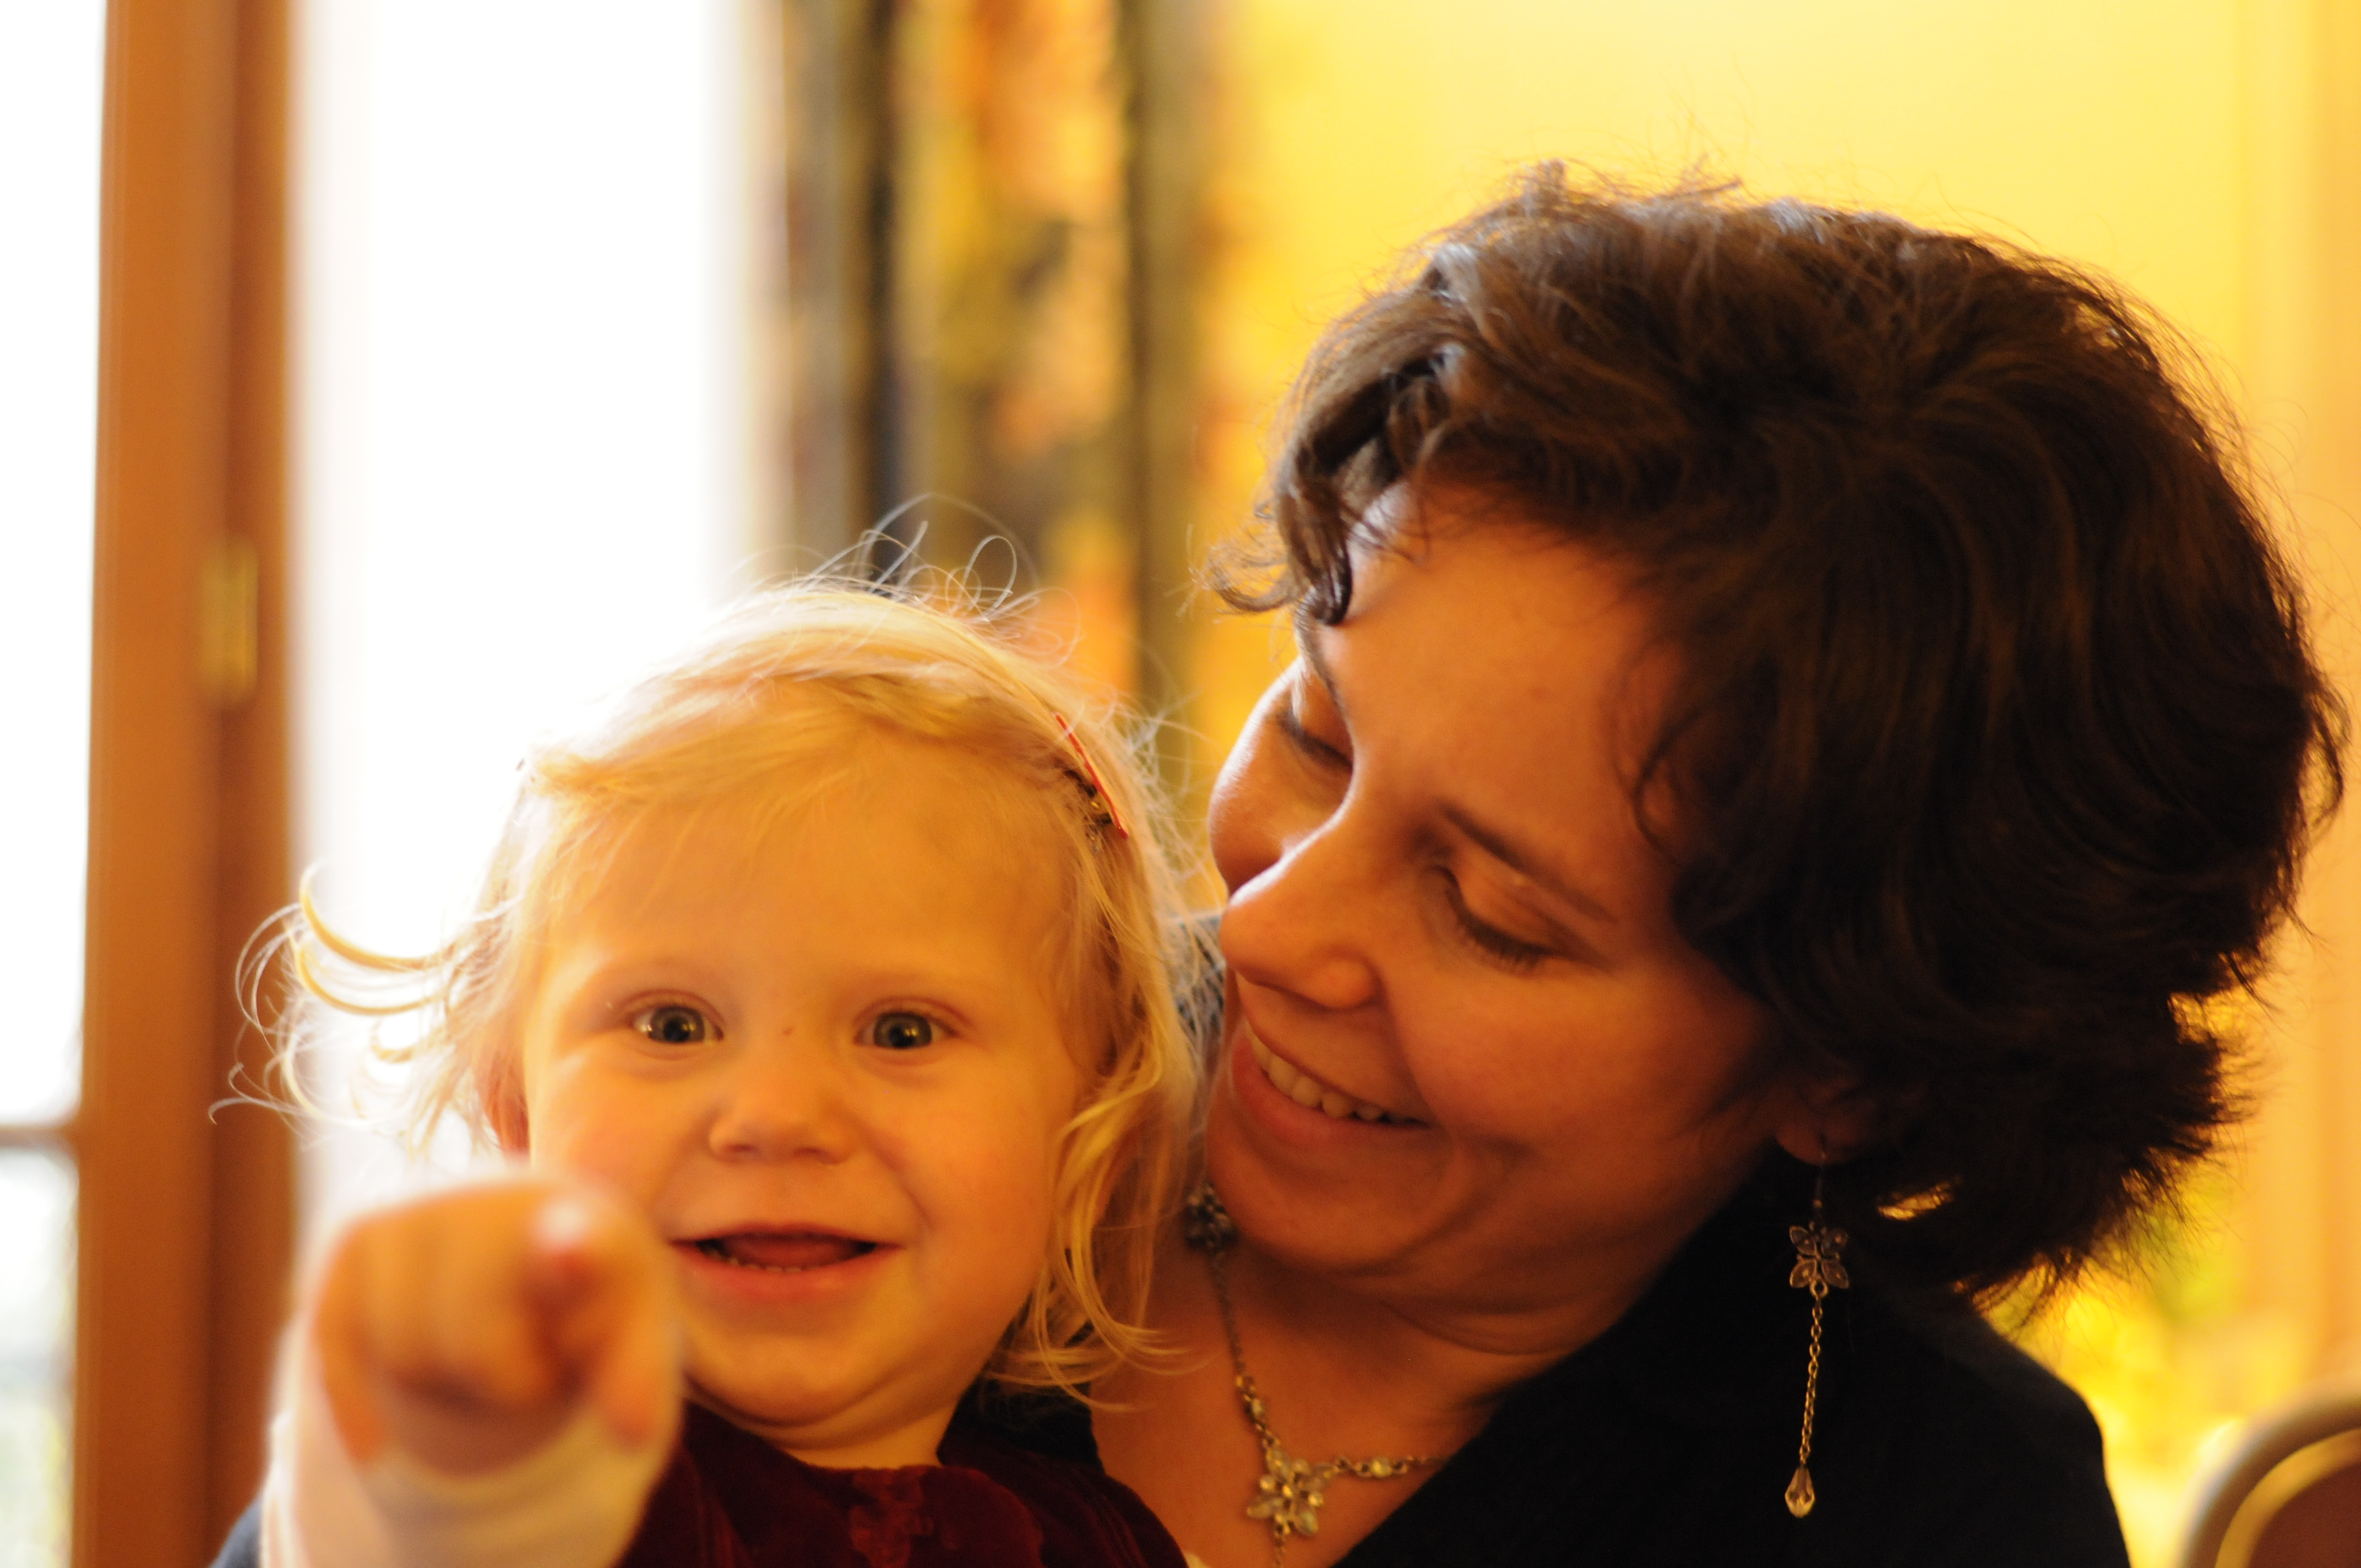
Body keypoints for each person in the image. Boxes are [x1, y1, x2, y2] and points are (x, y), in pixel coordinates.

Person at [1081, 169, 2344, 1568]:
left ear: (1847, 1073)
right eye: (1316, 734)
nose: (1262, 930)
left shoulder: (1946, 1509)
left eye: (1490, 914)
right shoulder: (967, 1079)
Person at [237, 585, 1201, 1568]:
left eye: (902, 1033)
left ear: (1088, 1141)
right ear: (517, 1113)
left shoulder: (1104, 1541)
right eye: (674, 1026)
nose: (776, 1116)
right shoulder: (524, 1490)